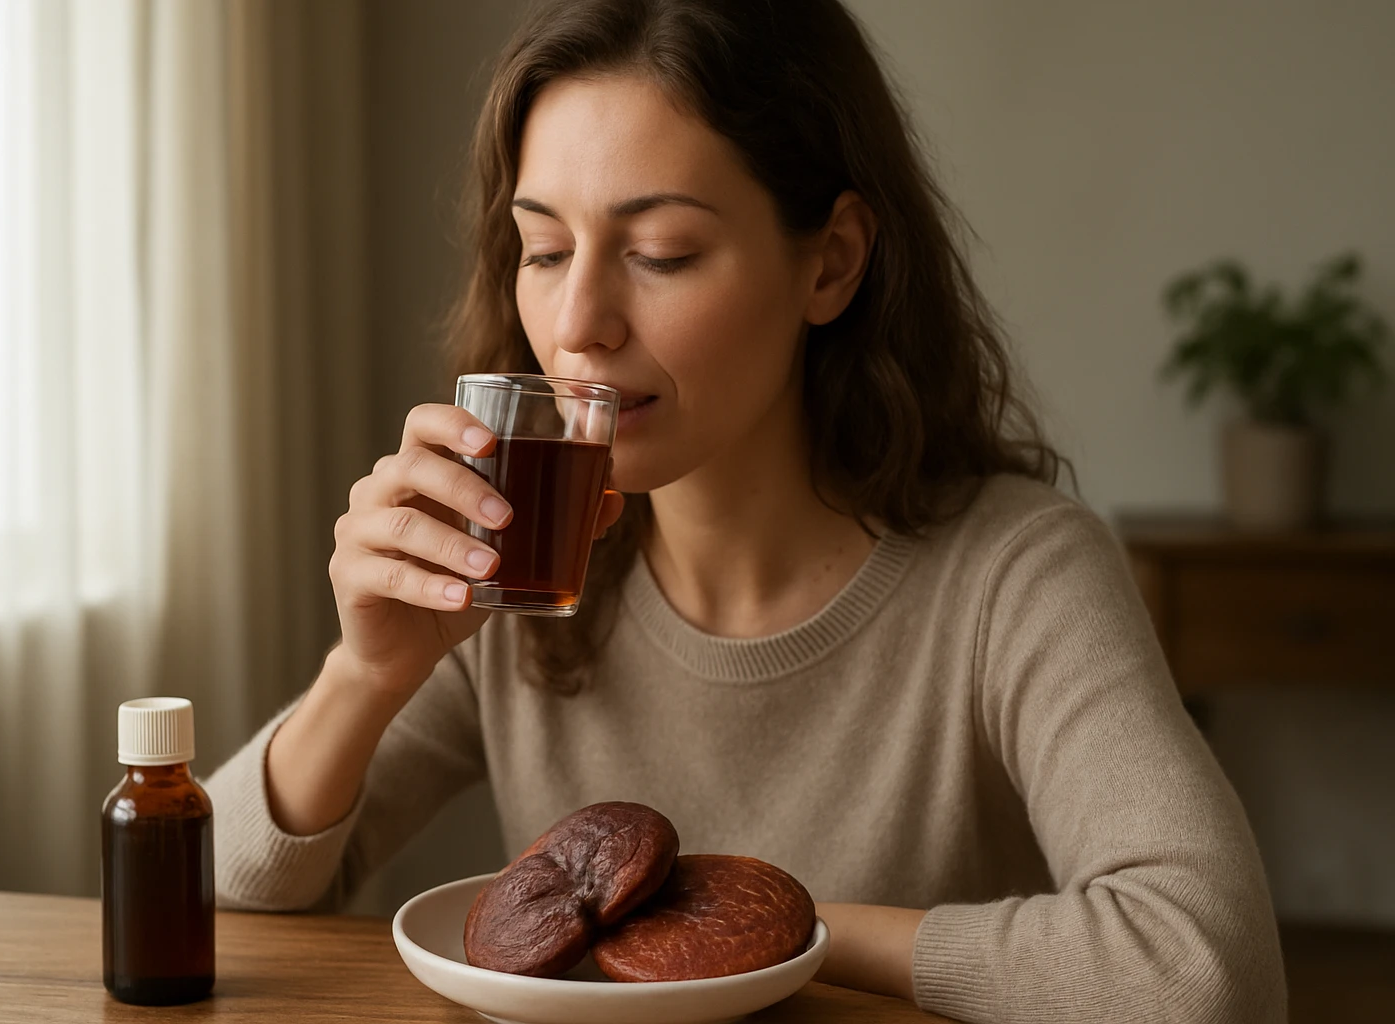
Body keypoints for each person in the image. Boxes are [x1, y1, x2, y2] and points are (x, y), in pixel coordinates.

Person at [204, 1, 1287, 1020]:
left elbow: (1203, 970)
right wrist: (365, 676)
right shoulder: (521, 559)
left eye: (660, 251)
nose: (578, 321)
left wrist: (768, 931)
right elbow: (207, 899)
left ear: (832, 263)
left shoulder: (1018, 574)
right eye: (542, 249)